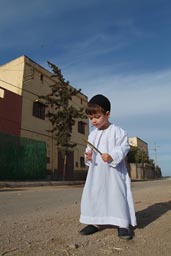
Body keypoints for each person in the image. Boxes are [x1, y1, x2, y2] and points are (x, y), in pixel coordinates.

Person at [79, 94, 137, 240]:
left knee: (116, 194)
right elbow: (88, 151)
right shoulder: (92, 135)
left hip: (114, 172)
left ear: (107, 114)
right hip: (96, 173)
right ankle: (95, 221)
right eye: (91, 118)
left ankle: (122, 224)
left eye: (97, 117)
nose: (94, 121)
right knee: (96, 194)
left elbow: (124, 148)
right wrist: (88, 157)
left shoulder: (119, 132)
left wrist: (112, 156)